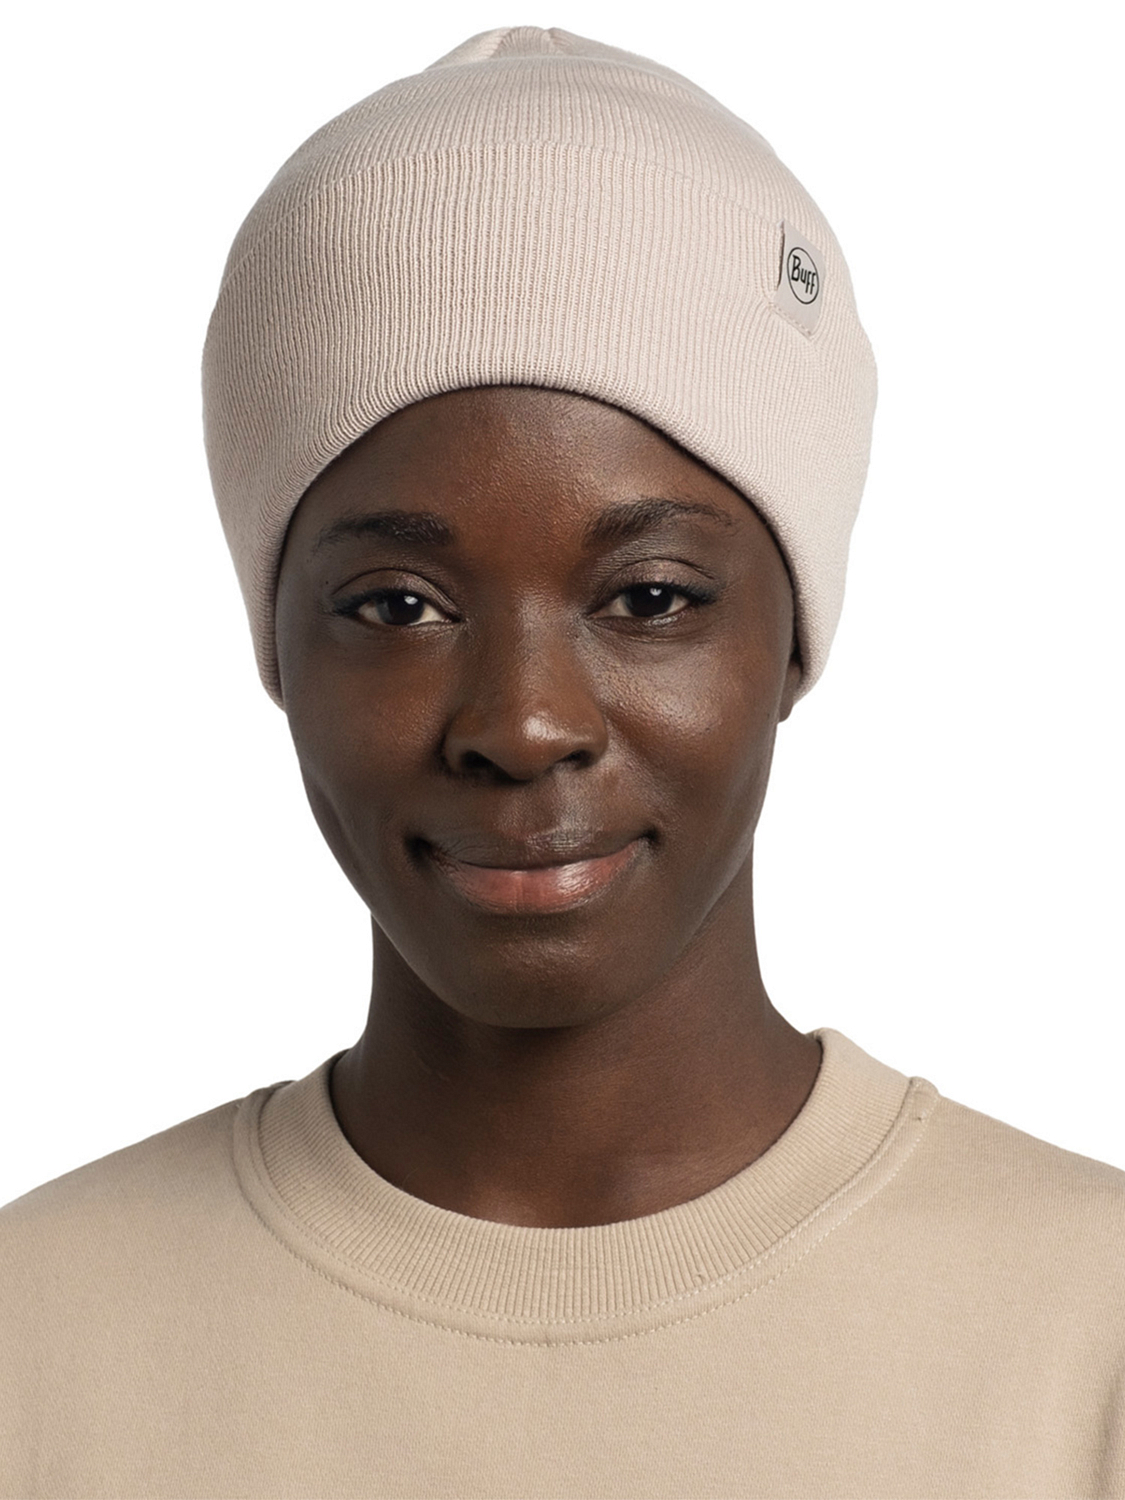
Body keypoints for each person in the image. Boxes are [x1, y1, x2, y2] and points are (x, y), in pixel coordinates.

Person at [1, 25, 1122, 1500]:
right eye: (397, 607)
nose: (524, 725)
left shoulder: (1089, 1337)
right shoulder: (35, 1341)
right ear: (273, 645)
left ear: (794, 636)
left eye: (648, 597)